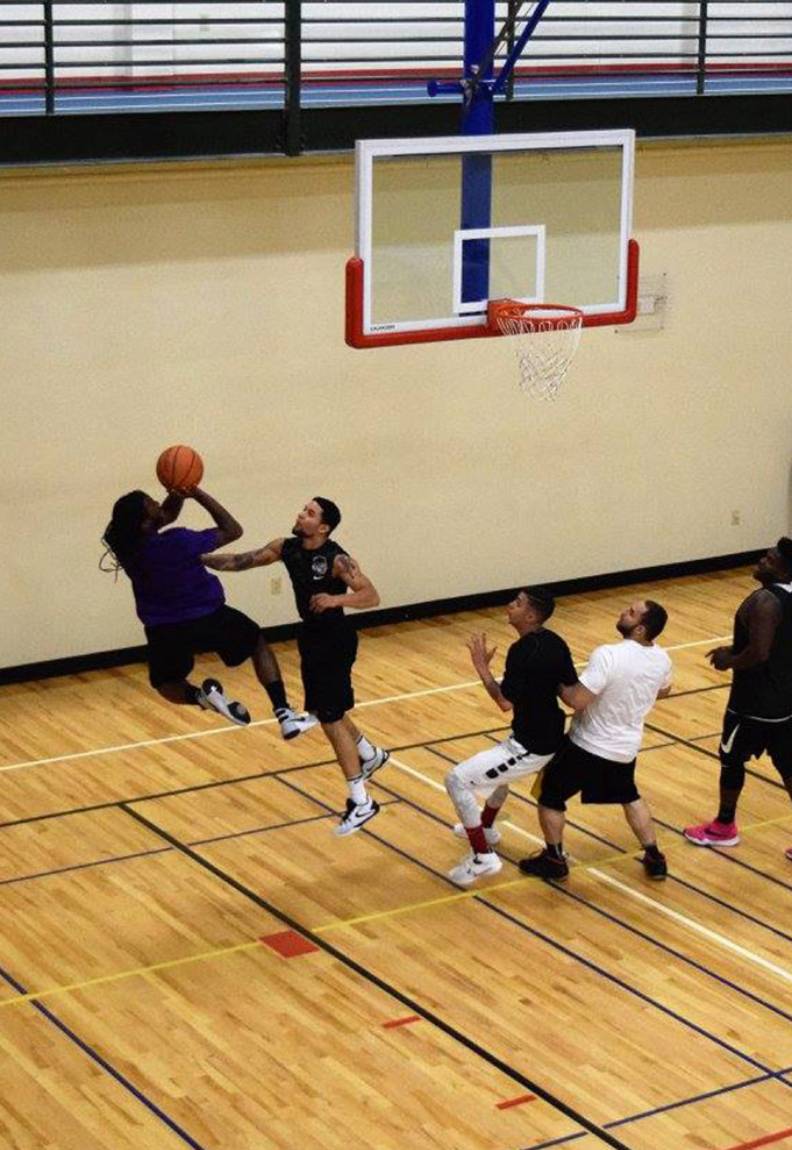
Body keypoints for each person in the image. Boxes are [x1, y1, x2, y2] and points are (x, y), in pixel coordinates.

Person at [203, 497, 389, 835]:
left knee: (329, 717)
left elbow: (371, 595)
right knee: (324, 708)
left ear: (323, 527)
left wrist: (336, 599)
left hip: (335, 638)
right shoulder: (285, 548)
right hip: (311, 637)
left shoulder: (337, 559)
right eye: (303, 510)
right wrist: (196, 558)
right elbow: (239, 561)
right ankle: (369, 753)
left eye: (310, 513)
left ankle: (362, 802)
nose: (301, 515)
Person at [102, 487, 313, 739]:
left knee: (166, 683)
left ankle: (200, 697)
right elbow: (232, 530)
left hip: (163, 629)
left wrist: (177, 491)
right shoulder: (179, 540)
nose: (159, 503)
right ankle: (283, 711)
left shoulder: (125, 547)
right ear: (146, 522)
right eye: (152, 504)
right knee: (257, 643)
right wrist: (196, 493)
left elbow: (164, 516)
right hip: (209, 616)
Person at [519, 599, 672, 882]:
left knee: (549, 795)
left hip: (587, 744)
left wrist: (553, 678)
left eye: (631, 613)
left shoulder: (608, 655)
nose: (623, 611)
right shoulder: (662, 658)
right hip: (625, 748)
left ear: (640, 629)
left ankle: (554, 859)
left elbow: (576, 700)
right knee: (629, 796)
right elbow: (664, 690)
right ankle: (654, 856)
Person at [445, 587, 579, 887]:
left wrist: (482, 668)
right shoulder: (555, 641)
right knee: (500, 776)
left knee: (456, 780)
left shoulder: (521, 651)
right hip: (549, 733)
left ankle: (483, 855)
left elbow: (504, 702)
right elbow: (568, 689)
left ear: (530, 616)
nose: (509, 605)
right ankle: (487, 828)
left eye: (517, 603)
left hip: (531, 746)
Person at [684, 537, 792, 860]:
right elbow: (776, 644)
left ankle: (724, 826)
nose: (762, 560)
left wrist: (729, 660)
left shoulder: (765, 601)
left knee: (731, 760)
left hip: (753, 703)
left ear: (784, 569)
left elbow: (759, 652)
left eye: (770, 558)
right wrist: (736, 649)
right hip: (784, 701)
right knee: (788, 766)